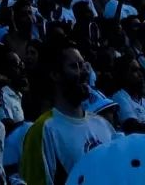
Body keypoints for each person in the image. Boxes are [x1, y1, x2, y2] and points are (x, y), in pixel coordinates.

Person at [20, 42, 116, 185]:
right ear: (55, 75)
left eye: (83, 65)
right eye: (74, 66)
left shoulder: (103, 124)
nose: (83, 72)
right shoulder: (43, 130)